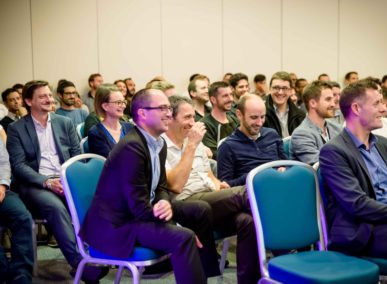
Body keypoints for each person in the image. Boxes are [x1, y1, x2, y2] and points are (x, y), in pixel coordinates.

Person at [80, 88, 221, 284]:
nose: (169, 114)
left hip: (139, 213)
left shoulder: (157, 143)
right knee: (184, 236)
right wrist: (175, 223)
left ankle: (205, 275)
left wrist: (164, 202)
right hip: (118, 225)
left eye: (169, 108)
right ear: (142, 113)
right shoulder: (132, 148)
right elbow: (137, 208)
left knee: (198, 211)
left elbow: (162, 186)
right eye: (162, 108)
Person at [6, 80, 108, 282]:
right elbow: (19, 165)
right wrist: (46, 182)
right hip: (36, 184)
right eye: (42, 96)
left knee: (92, 201)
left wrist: (68, 180)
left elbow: (77, 155)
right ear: (28, 101)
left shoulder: (64, 122)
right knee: (55, 207)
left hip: (65, 179)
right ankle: (80, 263)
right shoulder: (17, 128)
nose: (49, 99)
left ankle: (97, 256)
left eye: (50, 95)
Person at [163, 95, 260, 284]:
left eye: (193, 117)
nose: (193, 123)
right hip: (184, 203)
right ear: (170, 118)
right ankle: (286, 214)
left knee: (246, 220)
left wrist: (218, 185)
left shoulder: (195, 142)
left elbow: (209, 174)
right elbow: (175, 186)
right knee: (247, 193)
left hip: (209, 198)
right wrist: (191, 145)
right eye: (187, 118)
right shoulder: (161, 146)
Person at [319, 79, 387, 261]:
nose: (383, 109)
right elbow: (357, 204)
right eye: (376, 103)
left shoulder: (384, 145)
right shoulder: (334, 151)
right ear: (356, 109)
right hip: (362, 231)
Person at [218, 94, 286, 186]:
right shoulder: (228, 147)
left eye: (262, 117)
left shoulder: (272, 134)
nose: (259, 123)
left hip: (279, 184)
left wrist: (284, 168)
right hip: (251, 193)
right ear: (239, 115)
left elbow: (285, 163)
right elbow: (225, 187)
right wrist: (257, 175)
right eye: (254, 117)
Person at [0, 139, 33, 284]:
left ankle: (21, 275)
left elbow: (3, 162)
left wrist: (2, 185)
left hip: (1, 192)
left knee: (22, 216)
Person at [291, 81, 342, 165]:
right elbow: (322, 164)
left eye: (333, 99)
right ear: (313, 103)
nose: (333, 104)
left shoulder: (338, 128)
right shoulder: (301, 134)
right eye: (328, 99)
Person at [88, 84, 133, 157]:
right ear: (105, 106)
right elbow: (109, 161)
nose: (124, 106)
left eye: (124, 102)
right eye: (119, 102)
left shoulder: (130, 127)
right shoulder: (95, 133)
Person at [201, 81, 238, 159]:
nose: (231, 99)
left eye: (231, 94)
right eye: (225, 96)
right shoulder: (204, 125)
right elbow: (216, 154)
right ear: (213, 100)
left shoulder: (235, 120)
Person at [264, 71, 306, 138]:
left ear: (290, 91)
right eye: (276, 87)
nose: (280, 92)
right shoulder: (261, 114)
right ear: (270, 89)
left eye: (285, 88)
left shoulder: (300, 116)